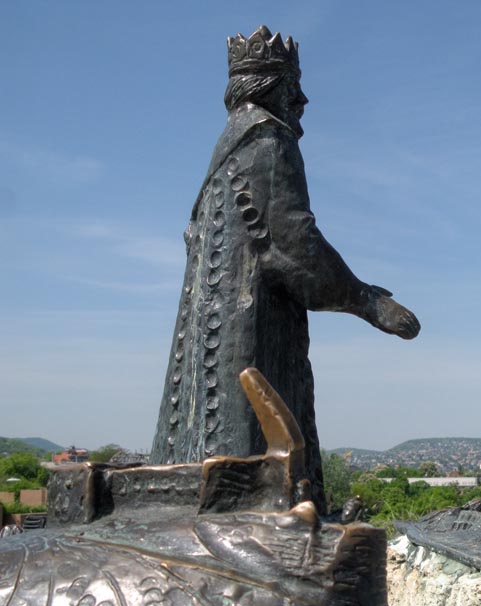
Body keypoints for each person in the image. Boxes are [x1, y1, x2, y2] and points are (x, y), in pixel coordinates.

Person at [152, 26, 419, 512]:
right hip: (249, 340)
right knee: (260, 481)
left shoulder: (226, 150)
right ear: (272, 87)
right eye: (294, 86)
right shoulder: (268, 140)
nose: (304, 99)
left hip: (218, 342)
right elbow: (294, 244)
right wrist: (369, 301)